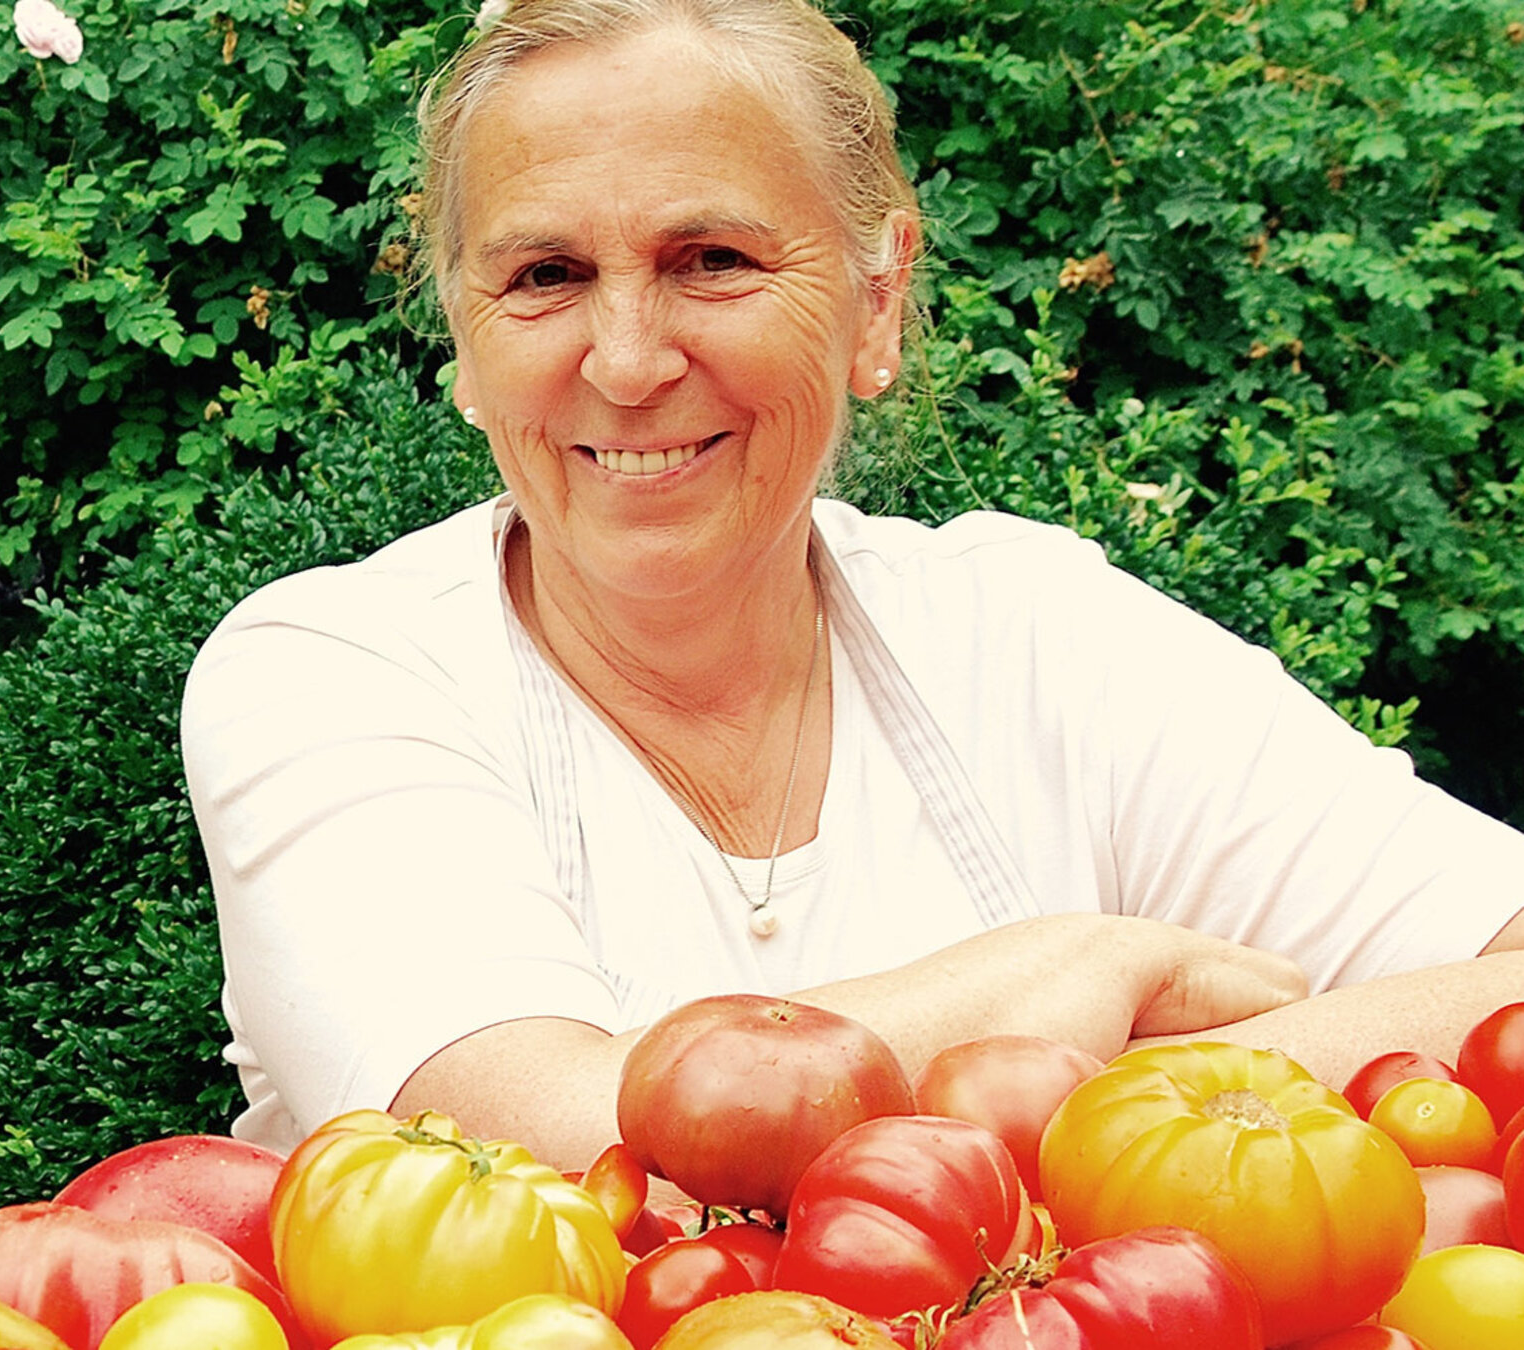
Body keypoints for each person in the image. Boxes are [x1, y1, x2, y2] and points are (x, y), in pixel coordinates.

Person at [180, 0, 1524, 1167]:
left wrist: (1115, 1083)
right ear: (467, 344)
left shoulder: (1034, 630)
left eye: (711, 259)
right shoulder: (326, 672)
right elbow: (547, 1149)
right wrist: (1059, 975)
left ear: (875, 306)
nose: (629, 358)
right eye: (544, 276)